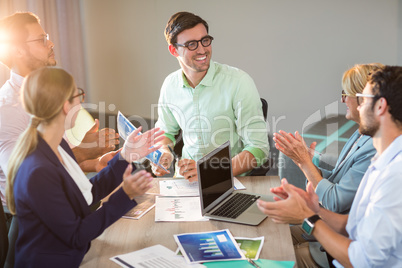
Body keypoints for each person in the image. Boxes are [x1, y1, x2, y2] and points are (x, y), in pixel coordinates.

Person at [6, 67, 164, 268]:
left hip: (75, 256)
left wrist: (126, 155)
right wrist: (125, 194)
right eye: (78, 95)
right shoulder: (38, 171)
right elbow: (76, 234)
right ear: (65, 106)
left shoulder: (58, 146)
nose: (81, 102)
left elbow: (85, 193)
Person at [257, 65, 402, 267]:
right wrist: (312, 208)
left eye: (363, 98)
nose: (357, 106)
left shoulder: (395, 175)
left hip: (343, 259)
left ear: (380, 107)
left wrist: (309, 217)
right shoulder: (383, 160)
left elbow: (362, 261)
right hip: (340, 244)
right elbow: (350, 225)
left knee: (270, 254)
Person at [0, 12, 120, 206]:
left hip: (61, 200)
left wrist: (91, 163)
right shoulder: (6, 109)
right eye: (42, 40)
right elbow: (28, 177)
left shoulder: (45, 92)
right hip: (29, 218)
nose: (51, 43)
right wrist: (82, 152)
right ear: (18, 51)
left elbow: (56, 163)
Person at [152, 11, 269, 181]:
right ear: (173, 50)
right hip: (186, 181)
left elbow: (259, 149)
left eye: (205, 41)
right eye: (192, 44)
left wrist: (208, 174)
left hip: (229, 181)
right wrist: (163, 152)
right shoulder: (170, 85)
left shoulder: (239, 82)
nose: (202, 50)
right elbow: (166, 132)